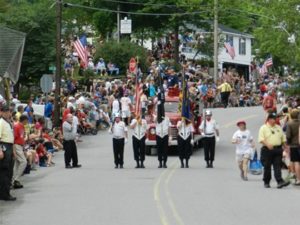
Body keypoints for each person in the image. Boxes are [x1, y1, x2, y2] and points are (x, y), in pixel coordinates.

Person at [258, 112, 290, 189]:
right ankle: (266, 181)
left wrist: (286, 147)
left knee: (277, 166)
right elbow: (261, 139)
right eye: (273, 118)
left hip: (278, 149)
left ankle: (280, 181)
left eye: (275, 118)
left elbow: (283, 138)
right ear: (269, 119)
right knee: (267, 167)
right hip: (267, 150)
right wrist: (267, 144)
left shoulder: (278, 127)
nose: (275, 120)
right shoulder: (264, 128)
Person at [0, 105, 16, 201]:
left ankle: (5, 192)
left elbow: (12, 138)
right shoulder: (1, 122)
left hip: (9, 146)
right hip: (4, 146)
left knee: (9, 171)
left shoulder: (9, 122)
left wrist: (13, 150)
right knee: (5, 171)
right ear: (2, 112)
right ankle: (4, 194)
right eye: (6, 112)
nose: (8, 113)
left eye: (9, 111)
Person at [12, 115, 29, 189]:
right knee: (23, 162)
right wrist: (14, 150)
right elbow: (14, 138)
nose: (27, 122)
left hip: (20, 146)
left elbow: (22, 138)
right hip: (16, 145)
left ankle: (13, 181)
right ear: (24, 120)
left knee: (17, 164)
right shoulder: (17, 126)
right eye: (26, 120)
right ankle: (16, 179)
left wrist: (24, 148)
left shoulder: (22, 127)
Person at [286, 109, 300, 185]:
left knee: (296, 161)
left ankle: (298, 179)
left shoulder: (290, 123)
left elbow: (288, 135)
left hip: (294, 145)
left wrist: (287, 143)